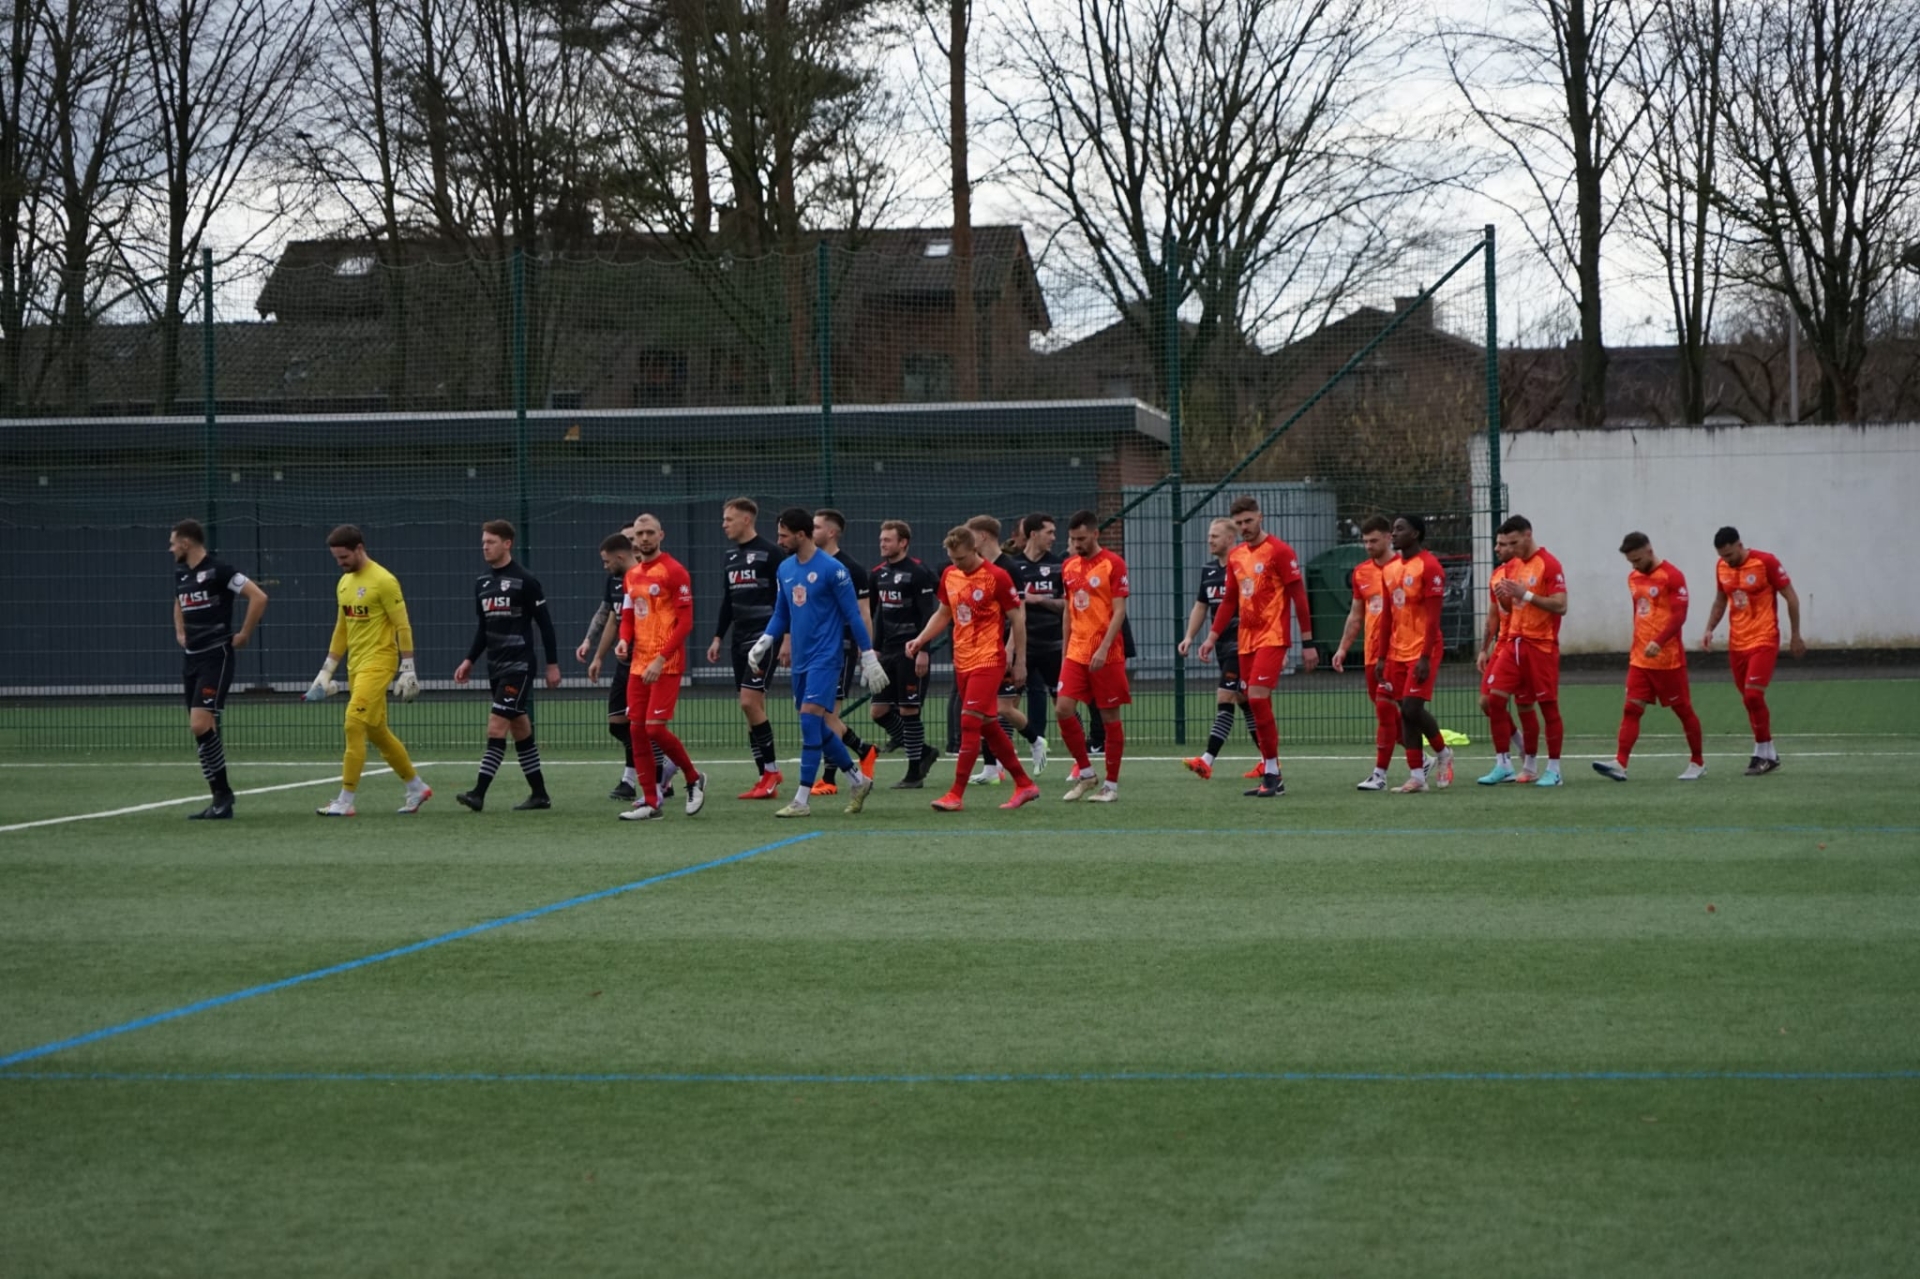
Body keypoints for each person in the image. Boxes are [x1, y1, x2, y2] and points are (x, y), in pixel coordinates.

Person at [748, 507, 887, 818]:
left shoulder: (834, 570)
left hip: (827, 657)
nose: (779, 540)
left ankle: (801, 800)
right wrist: (765, 641)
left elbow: (853, 615)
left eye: (784, 535)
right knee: (818, 725)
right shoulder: (785, 569)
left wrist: (868, 655)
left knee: (810, 720)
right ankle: (857, 780)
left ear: (801, 535)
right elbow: (782, 612)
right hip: (801, 659)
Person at [906, 526, 1040, 812]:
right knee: (989, 726)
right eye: (952, 559)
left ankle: (955, 794)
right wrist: (920, 639)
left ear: (975, 550)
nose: (957, 564)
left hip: (989, 660)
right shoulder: (950, 575)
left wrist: (1020, 661)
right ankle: (1025, 784)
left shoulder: (997, 576)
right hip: (963, 661)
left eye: (962, 558)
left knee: (969, 722)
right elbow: (944, 613)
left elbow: (1017, 619)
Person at [306, 525, 431, 816]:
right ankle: (416, 787)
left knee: (353, 723)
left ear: (359, 548)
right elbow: (342, 629)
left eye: (344, 557)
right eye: (337, 558)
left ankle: (345, 800)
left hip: (379, 664)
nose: (340, 563)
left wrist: (408, 668)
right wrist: (326, 671)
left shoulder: (384, 581)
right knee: (377, 731)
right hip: (356, 666)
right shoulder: (344, 583)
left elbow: (402, 625)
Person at [1199, 495, 1317, 797]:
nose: (1244, 527)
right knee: (1254, 702)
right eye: (1239, 523)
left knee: (1257, 698)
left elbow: (1299, 597)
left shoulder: (1280, 551)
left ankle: (1273, 773)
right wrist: (1211, 637)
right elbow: (1229, 601)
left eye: (1248, 520)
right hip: (1246, 641)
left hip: (1273, 637)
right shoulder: (1237, 555)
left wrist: (1308, 642)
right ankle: (1272, 774)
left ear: (1260, 517)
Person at [451, 521, 561, 812]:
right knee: (520, 728)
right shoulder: (482, 583)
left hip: (519, 666)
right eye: (483, 542)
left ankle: (478, 793)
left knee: (496, 725)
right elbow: (483, 628)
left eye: (491, 541)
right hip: (495, 667)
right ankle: (540, 795)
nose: (485, 546)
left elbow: (546, 625)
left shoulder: (525, 580)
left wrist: (552, 664)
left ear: (507, 543)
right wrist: (469, 660)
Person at [1334, 514, 1442, 791]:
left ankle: (1382, 773)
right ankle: (1421, 763)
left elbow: (1430, 616)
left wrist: (1424, 655)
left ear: (1387, 538)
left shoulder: (1418, 566)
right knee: (1395, 712)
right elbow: (1358, 615)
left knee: (1394, 709)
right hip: (1377, 653)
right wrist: (1344, 648)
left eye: (1374, 540)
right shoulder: (1363, 572)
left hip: (1408, 651)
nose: (1369, 546)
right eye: (1365, 541)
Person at [169, 518, 268, 819]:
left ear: (186, 542)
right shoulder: (182, 574)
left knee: (199, 724)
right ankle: (220, 799)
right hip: (191, 659)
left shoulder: (220, 570)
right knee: (204, 728)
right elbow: (179, 602)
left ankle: (224, 795)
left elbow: (258, 596)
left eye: (173, 543)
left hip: (216, 656)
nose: (171, 549)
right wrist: (180, 631)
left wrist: (244, 634)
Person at [613, 514, 707, 821]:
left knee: (654, 728)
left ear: (661, 535)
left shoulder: (675, 571)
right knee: (636, 730)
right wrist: (624, 640)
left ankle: (693, 778)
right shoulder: (631, 576)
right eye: (639, 533)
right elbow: (628, 616)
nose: (644, 538)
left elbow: (686, 623)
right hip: (638, 664)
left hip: (666, 663)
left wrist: (661, 658)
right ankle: (651, 803)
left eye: (649, 532)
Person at [1593, 532, 1706, 781]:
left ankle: (1697, 762)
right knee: (1631, 709)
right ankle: (1620, 763)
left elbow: (1679, 615)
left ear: (1649, 551)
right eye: (1630, 561)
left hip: (1668, 660)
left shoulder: (1672, 576)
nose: (1634, 565)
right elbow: (1640, 613)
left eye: (1637, 560)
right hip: (1640, 659)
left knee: (1683, 710)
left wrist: (1659, 641)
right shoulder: (1633, 578)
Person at [582, 529, 676, 802]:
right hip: (625, 662)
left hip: (646, 661)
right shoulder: (617, 580)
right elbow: (614, 617)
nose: (637, 543)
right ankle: (660, 768)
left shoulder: (653, 576)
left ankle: (639, 782)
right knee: (618, 724)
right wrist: (597, 654)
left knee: (643, 726)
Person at [1703, 526, 1805, 775]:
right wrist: (1709, 628)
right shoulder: (1722, 567)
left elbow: (1791, 597)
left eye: (1730, 554)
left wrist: (1795, 635)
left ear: (1740, 545)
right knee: (1749, 701)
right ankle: (1768, 754)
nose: (1727, 560)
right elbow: (1720, 599)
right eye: (1722, 556)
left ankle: (1761, 752)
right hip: (1737, 643)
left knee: (1753, 696)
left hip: (1764, 638)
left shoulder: (1765, 562)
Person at [707, 497, 788, 799]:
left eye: (728, 519)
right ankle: (764, 778)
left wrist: (787, 637)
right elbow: (728, 601)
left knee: (748, 702)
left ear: (746, 520)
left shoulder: (772, 553)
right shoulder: (730, 556)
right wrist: (718, 636)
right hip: (738, 638)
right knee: (753, 709)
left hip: (765, 636)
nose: (723, 525)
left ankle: (772, 771)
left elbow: (785, 598)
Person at [1047, 510, 1129, 801]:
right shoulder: (1068, 566)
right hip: (1076, 652)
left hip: (1107, 653)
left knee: (1109, 717)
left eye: (1081, 539)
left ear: (1095, 534)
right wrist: (1065, 652)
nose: (1076, 544)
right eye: (1073, 539)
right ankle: (1086, 773)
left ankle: (1111, 786)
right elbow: (1069, 612)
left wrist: (1104, 648)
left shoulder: (1113, 563)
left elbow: (1119, 611)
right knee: (1062, 708)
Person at [1485, 514, 1569, 785]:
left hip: (1540, 645)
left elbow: (1561, 605)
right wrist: (1505, 600)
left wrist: (1526, 594)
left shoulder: (1549, 564)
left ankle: (1554, 770)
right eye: (1505, 543)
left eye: (1513, 543)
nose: (1509, 548)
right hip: (1514, 644)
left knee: (1547, 706)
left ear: (1528, 536)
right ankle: (1505, 764)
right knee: (1494, 701)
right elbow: (1511, 608)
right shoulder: (1512, 567)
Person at [965, 515, 1047, 785]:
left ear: (983, 536)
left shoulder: (1008, 568)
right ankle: (991, 767)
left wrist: (1011, 649)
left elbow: (1019, 613)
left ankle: (1036, 741)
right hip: (981, 649)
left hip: (1002, 647)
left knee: (1002, 707)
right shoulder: (977, 566)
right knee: (985, 709)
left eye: (970, 535)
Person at [1375, 515, 1453, 793]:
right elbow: (1387, 616)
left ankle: (1443, 753)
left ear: (1415, 534)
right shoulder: (1389, 569)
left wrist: (1425, 657)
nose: (1393, 534)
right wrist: (1381, 656)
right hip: (1397, 650)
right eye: (1393, 529)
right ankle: (1417, 776)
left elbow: (1433, 618)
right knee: (1405, 713)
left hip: (1423, 650)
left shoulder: (1430, 567)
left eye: (1400, 529)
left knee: (1411, 707)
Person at [869, 519, 943, 788]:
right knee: (878, 711)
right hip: (887, 652)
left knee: (909, 710)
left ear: (903, 543)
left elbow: (927, 614)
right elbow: (878, 614)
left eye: (888, 540)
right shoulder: (877, 574)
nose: (882, 544)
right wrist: (875, 649)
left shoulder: (918, 572)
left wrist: (923, 651)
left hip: (911, 652)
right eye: (881, 539)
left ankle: (914, 774)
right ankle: (924, 751)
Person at [1180, 518, 1255, 780]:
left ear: (1230, 539)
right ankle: (1270, 762)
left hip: (1242, 643)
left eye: (1215, 536)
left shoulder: (1243, 566)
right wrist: (1190, 636)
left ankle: (1207, 760)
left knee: (1225, 696)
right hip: (1222, 644)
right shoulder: (1209, 570)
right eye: (1209, 535)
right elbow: (1201, 605)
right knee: (1245, 700)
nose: (1209, 540)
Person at [810, 508, 878, 794]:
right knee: (820, 715)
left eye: (816, 527)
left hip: (842, 648)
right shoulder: (808, 564)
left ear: (831, 532)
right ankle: (864, 749)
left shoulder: (851, 568)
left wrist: (867, 653)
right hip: (815, 649)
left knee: (826, 716)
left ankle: (829, 778)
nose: (811, 531)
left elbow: (864, 613)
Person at [1008, 512, 1065, 770]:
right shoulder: (1012, 566)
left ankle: (1080, 762)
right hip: (1022, 646)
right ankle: (1002, 759)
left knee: (1063, 704)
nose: (1053, 537)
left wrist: (1039, 599)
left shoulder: (1060, 565)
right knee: (1007, 703)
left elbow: (1068, 605)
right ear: (1033, 534)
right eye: (1049, 532)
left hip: (1053, 644)